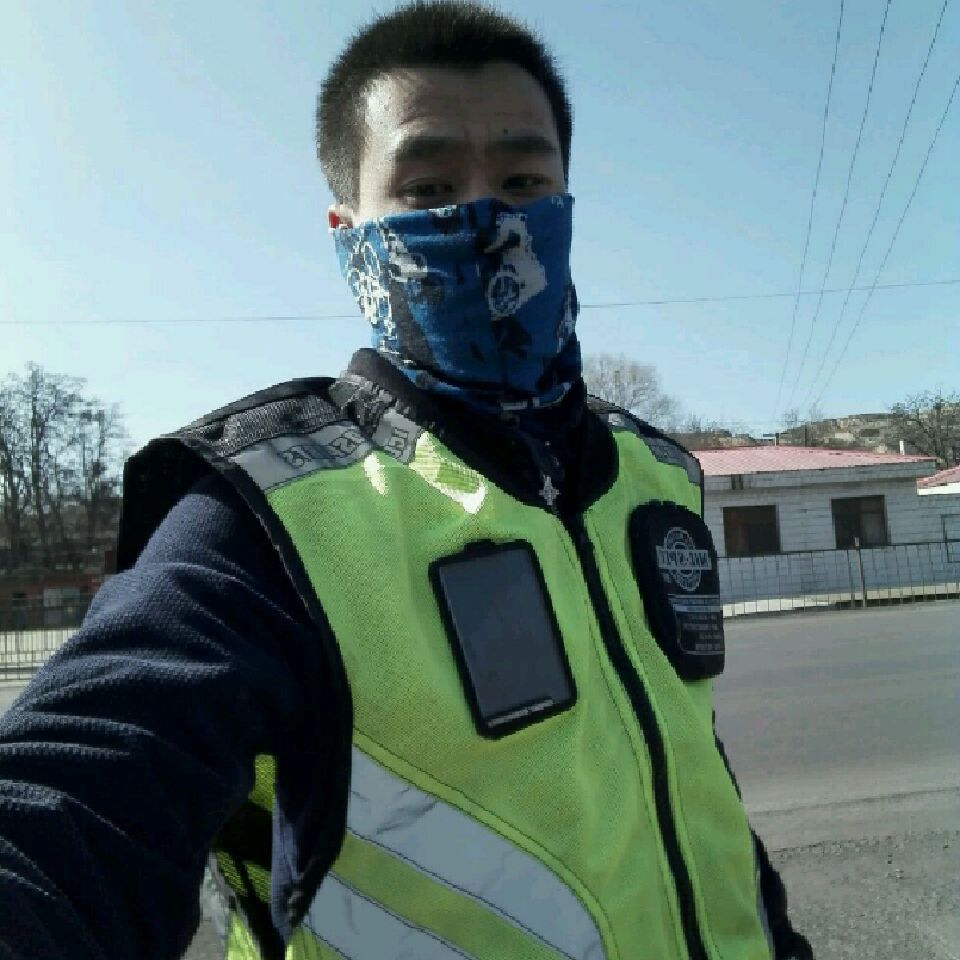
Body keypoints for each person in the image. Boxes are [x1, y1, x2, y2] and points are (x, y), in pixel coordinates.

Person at [0, 2, 812, 958]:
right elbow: (74, 800)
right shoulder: (264, 518)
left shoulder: (657, 480)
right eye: (428, 189)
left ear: (566, 201)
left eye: (523, 181)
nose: (485, 219)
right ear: (347, 233)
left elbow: (691, 783)